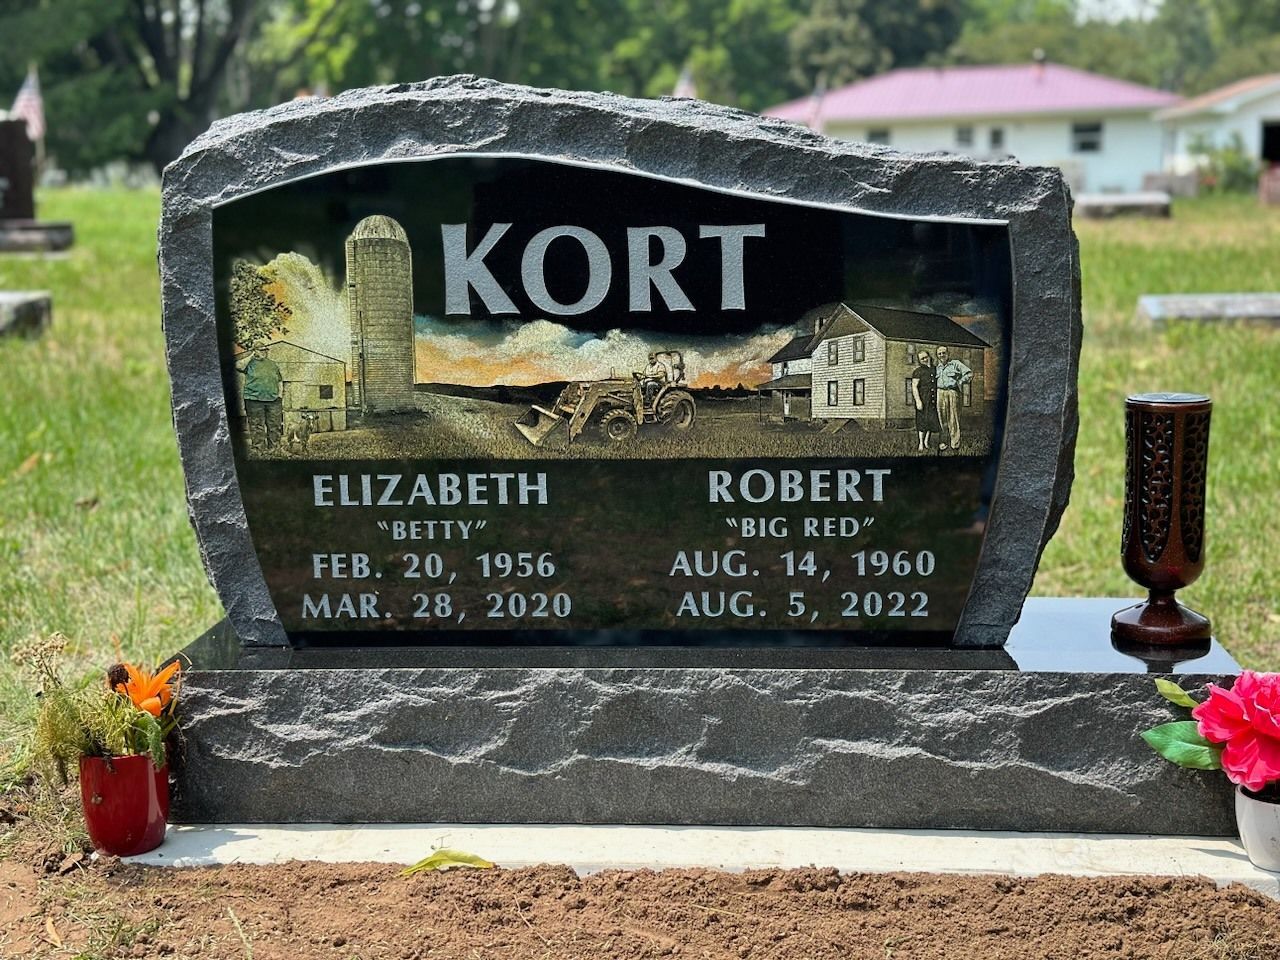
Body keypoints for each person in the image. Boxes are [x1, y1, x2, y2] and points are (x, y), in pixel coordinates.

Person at [236, 345, 284, 452]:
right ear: (255, 351)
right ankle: (259, 449)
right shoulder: (249, 364)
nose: (264, 352)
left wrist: (280, 395)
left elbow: (280, 380)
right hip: (254, 400)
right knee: (257, 426)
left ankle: (274, 449)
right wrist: (252, 355)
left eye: (266, 350)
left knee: (275, 425)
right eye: (262, 350)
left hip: (273, 400)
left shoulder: (272, 364)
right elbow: (238, 366)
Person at [934, 345, 972, 452]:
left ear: (948, 354)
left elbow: (969, 373)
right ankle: (943, 442)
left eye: (943, 353)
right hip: (940, 392)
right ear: (937, 356)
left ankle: (955, 444)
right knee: (941, 418)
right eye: (939, 353)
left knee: (953, 418)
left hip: (952, 392)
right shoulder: (937, 367)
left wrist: (960, 381)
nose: (942, 355)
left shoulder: (955, 364)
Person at [910, 350, 942, 452]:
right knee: (922, 422)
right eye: (922, 358)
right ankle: (920, 443)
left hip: (933, 400)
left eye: (926, 357)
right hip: (923, 399)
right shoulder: (918, 371)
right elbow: (914, 387)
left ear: (929, 356)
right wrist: (918, 401)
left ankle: (926, 442)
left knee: (930, 422)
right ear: (919, 361)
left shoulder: (935, 369)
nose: (925, 359)